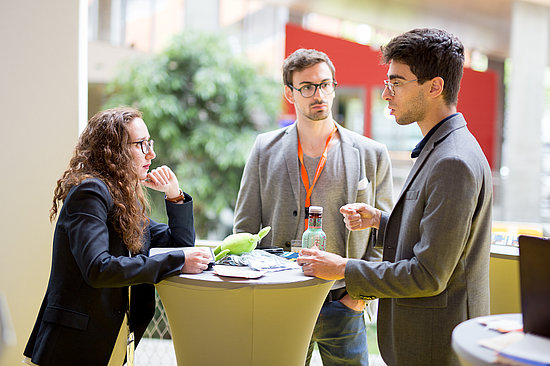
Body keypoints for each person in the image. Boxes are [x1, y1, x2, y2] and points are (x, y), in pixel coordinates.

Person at [298, 28, 493, 366]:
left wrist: (343, 268)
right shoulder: (442, 148)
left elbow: (428, 274)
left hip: (435, 347)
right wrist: (380, 221)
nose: (386, 94)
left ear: (434, 87)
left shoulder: (453, 161)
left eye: (397, 82)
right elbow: (436, 237)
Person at [233, 48, 394, 365]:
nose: (317, 94)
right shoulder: (264, 149)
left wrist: (358, 298)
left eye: (324, 84)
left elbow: (386, 236)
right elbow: (245, 228)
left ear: (334, 86)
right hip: (279, 298)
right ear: (289, 93)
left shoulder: (372, 154)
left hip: (343, 302)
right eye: (307, 87)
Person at [23, 107, 212, 366]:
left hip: (110, 341)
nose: (151, 153)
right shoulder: (90, 193)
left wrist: (174, 195)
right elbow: (98, 268)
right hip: (72, 348)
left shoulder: (123, 201)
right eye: (141, 144)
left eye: (150, 143)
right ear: (113, 150)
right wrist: (176, 261)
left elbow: (178, 243)